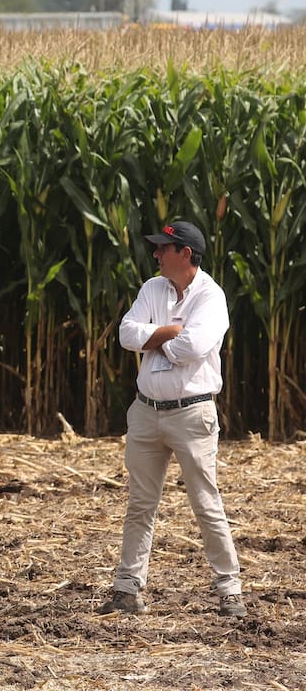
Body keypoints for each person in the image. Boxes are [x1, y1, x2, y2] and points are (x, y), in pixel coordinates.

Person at [99, 220, 246, 618]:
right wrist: (169, 332)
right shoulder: (152, 288)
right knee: (140, 504)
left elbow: (195, 345)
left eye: (164, 248)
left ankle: (229, 590)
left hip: (192, 413)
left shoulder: (211, 297)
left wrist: (155, 340)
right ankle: (127, 590)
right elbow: (127, 335)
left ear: (185, 253)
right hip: (146, 411)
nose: (156, 254)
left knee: (205, 502)